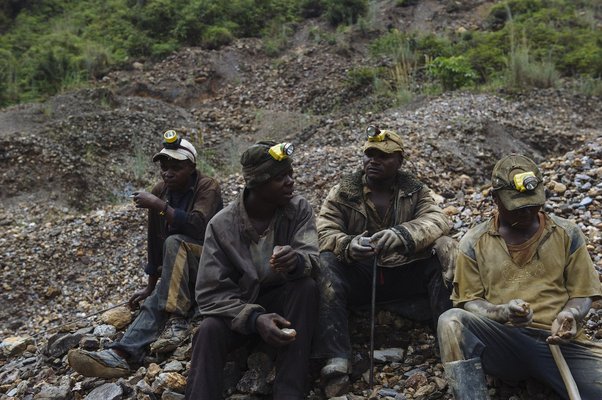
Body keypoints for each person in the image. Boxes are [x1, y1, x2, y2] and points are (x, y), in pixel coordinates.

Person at [437, 154, 602, 400]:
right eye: (517, 206)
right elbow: (469, 302)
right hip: (504, 342)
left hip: (561, 345)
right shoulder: (474, 242)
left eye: (533, 204)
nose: (527, 212)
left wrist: (571, 314)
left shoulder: (567, 233)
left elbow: (582, 293)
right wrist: (502, 312)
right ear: (495, 199)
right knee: (451, 321)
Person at [68, 130, 223, 378]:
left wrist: (159, 206)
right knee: (157, 294)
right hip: (179, 270)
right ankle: (120, 354)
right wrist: (149, 285)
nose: (168, 172)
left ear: (191, 167)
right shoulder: (160, 190)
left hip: (212, 266)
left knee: (176, 243)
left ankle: (178, 319)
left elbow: (198, 226)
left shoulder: (207, 187)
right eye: (164, 166)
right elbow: (155, 242)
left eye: (176, 167)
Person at [314, 126, 455, 390]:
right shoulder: (344, 192)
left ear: (400, 161)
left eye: (383, 156)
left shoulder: (415, 190)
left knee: (445, 249)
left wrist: (404, 234)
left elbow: (438, 220)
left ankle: (450, 340)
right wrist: (347, 245)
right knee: (325, 263)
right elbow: (323, 230)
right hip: (362, 275)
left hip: (405, 271)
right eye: (369, 154)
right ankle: (336, 355)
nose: (373, 160)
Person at [184, 141, 319, 400]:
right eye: (280, 178)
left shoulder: (298, 209)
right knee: (208, 329)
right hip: (239, 309)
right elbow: (210, 294)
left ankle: (289, 391)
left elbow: (313, 257)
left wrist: (297, 262)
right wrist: (255, 319)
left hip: (283, 305)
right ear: (257, 184)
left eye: (290, 174)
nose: (290, 182)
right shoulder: (221, 225)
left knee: (305, 287)